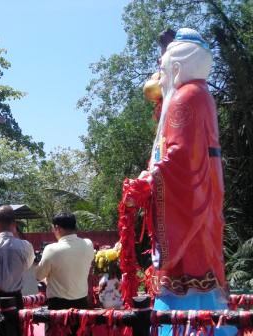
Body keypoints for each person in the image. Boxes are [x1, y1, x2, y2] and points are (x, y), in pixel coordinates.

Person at [129, 28, 235, 335]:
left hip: (189, 194)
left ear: (176, 66)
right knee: (205, 252)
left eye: (163, 70)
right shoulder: (202, 94)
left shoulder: (186, 96)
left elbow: (179, 155)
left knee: (189, 261)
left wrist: (148, 181)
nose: (161, 77)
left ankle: (185, 323)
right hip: (204, 188)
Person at [34, 212, 94, 310]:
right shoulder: (88, 244)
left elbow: (38, 276)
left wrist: (39, 265)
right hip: (82, 304)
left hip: (58, 306)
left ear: (57, 228)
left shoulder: (51, 249)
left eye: (53, 228)